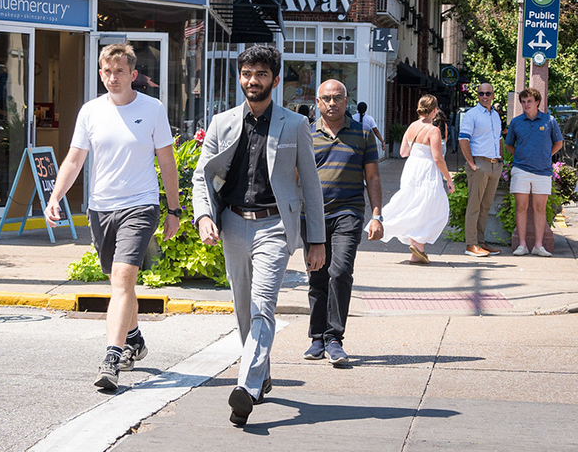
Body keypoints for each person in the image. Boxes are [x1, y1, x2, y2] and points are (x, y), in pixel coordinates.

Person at [192, 45, 326, 426]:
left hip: (274, 225)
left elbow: (311, 187)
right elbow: (202, 177)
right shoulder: (222, 123)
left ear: (275, 80)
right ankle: (261, 370)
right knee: (243, 309)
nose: (254, 80)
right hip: (233, 223)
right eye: (248, 73)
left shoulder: (295, 124)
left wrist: (316, 240)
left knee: (263, 304)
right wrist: (204, 216)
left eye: (262, 74)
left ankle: (247, 388)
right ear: (240, 77)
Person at [44, 43, 180, 390]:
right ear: (100, 73)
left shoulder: (152, 109)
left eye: (120, 71)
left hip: (141, 204)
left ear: (133, 75)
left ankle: (111, 358)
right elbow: (74, 160)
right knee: (118, 281)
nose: (112, 77)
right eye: (107, 71)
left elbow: (166, 161)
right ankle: (133, 336)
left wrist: (174, 210)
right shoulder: (90, 112)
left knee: (122, 279)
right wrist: (55, 196)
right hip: (101, 207)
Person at [302, 80, 383, 365]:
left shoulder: (362, 134)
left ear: (347, 100)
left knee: (340, 271)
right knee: (317, 276)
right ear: (318, 101)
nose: (332, 103)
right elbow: (295, 178)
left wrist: (376, 215)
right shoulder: (305, 133)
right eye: (326, 98)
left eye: (337, 98)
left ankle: (334, 338)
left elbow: (372, 177)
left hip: (348, 212)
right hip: (311, 216)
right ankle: (316, 338)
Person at [376, 95, 455, 264]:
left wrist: (418, 151)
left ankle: (417, 249)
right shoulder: (433, 130)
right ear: (434, 110)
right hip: (427, 170)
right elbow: (438, 158)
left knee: (414, 205)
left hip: (412, 168)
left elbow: (404, 152)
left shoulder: (412, 126)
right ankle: (418, 243)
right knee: (436, 208)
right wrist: (448, 178)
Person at [505, 88, 563, 257]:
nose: (526, 105)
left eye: (529, 101)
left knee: (539, 208)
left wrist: (545, 156)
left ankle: (539, 245)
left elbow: (558, 143)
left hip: (543, 171)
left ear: (537, 102)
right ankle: (522, 245)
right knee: (521, 207)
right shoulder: (516, 122)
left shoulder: (549, 121)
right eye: (523, 102)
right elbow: (509, 145)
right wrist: (521, 156)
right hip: (520, 170)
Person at [459, 83, 503, 257]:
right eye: (480, 93)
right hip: (480, 164)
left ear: (493, 95)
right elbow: (463, 139)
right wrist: (471, 163)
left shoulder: (495, 115)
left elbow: (498, 137)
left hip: (494, 165)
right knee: (474, 206)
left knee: (485, 206)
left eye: (487, 93)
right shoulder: (472, 115)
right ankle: (471, 244)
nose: (484, 96)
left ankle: (481, 242)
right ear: (477, 95)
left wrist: (500, 159)